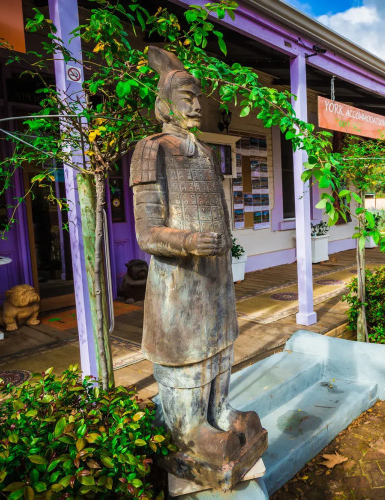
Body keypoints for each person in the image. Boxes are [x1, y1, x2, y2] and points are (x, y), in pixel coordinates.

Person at [130, 47, 264, 474]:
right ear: (163, 105)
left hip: (214, 276)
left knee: (219, 347)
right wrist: (188, 241)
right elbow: (146, 232)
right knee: (188, 353)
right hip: (179, 281)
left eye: (197, 98)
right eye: (186, 97)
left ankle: (218, 412)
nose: (196, 106)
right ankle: (188, 430)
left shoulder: (204, 153)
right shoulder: (151, 150)